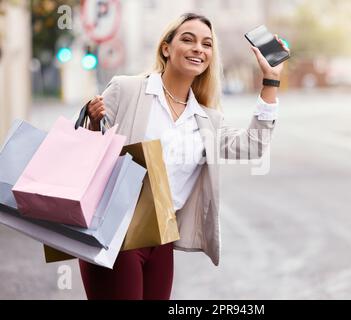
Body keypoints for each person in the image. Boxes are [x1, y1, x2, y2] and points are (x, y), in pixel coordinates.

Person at [79, 12, 290, 300]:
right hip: (114, 232)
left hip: (161, 239)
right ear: (166, 48)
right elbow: (87, 154)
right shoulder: (127, 90)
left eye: (207, 44)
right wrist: (93, 122)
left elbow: (252, 146)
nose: (198, 49)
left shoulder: (206, 119)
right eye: (188, 40)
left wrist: (270, 81)